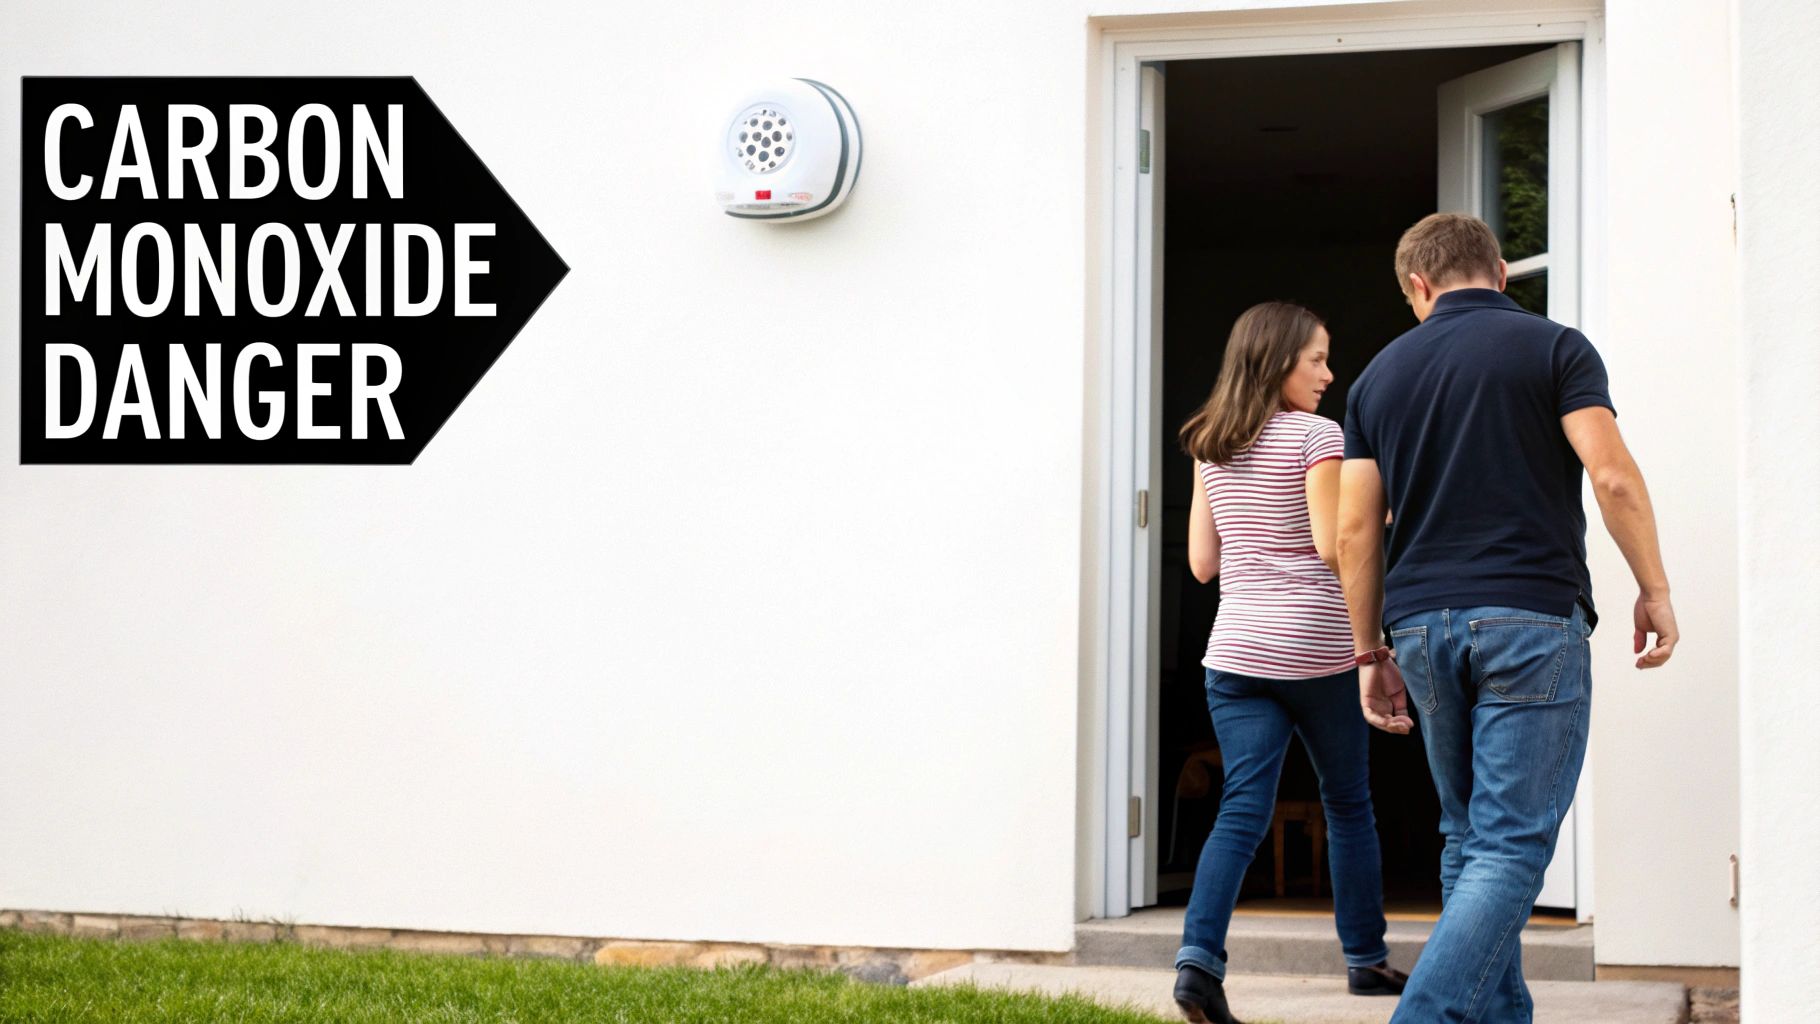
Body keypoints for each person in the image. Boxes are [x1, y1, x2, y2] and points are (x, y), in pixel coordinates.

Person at [1337, 213, 1679, 1023]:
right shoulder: (1555, 347)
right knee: (1510, 846)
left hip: (1420, 627)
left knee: (1469, 842)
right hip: (1530, 620)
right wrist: (1654, 586)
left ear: (1418, 285)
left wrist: (1366, 653)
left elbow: (1354, 532)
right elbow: (1613, 476)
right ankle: (1424, 1015)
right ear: (1499, 271)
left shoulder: (1377, 377)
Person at [1172, 301, 1408, 1024]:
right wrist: (1385, 515)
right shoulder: (1315, 434)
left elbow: (1203, 564)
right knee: (1348, 803)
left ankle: (1197, 965)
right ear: (1279, 362)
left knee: (1242, 808)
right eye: (1318, 360)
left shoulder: (1208, 442)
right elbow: (1333, 542)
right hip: (1315, 649)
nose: (1329, 374)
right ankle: (1365, 961)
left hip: (1236, 651)